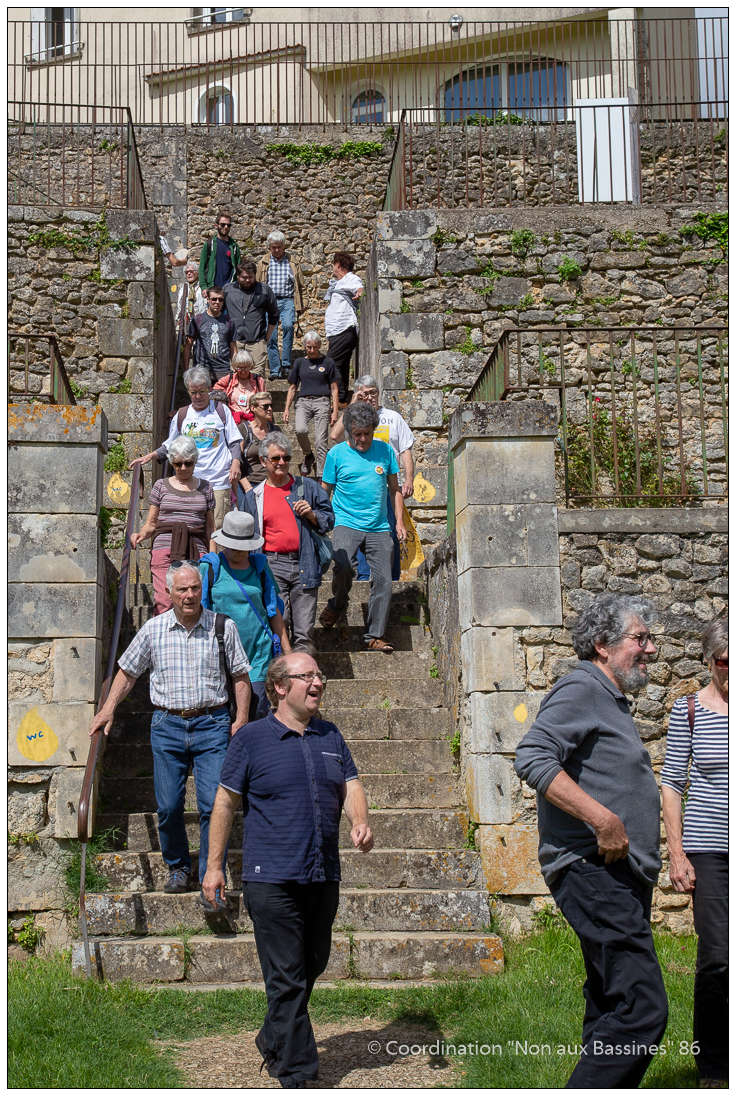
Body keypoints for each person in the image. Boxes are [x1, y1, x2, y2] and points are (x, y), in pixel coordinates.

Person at [514, 593, 668, 1088]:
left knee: (609, 1002)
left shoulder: (609, 698)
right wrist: (602, 819)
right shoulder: (581, 688)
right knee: (642, 1007)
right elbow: (532, 757)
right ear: (602, 644)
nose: (650, 649)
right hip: (591, 867)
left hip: (616, 872)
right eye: (640, 638)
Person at [202, 650, 373, 1088]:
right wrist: (214, 866)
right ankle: (299, 1074)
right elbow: (225, 802)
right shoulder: (250, 739)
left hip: (322, 873)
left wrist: (360, 821)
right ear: (279, 687)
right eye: (306, 676)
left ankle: (272, 1036)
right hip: (271, 878)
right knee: (286, 978)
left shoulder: (330, 735)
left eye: (319, 675)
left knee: (313, 963)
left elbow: (351, 784)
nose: (318, 682)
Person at [89, 562, 251, 894]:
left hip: (212, 723)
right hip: (167, 725)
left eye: (195, 588)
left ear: (202, 589)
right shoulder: (153, 629)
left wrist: (242, 720)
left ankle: (210, 873)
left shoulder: (223, 626)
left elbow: (240, 675)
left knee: (213, 804)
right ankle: (178, 867)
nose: (189, 595)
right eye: (182, 589)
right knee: (168, 806)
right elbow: (128, 672)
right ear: (169, 592)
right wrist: (108, 709)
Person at [661, 617, 728, 1088]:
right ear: (708, 661)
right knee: (718, 956)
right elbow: (671, 784)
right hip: (710, 850)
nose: (731, 670)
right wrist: (677, 853)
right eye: (723, 661)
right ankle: (714, 1066)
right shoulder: (689, 710)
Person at [319, 402, 406, 653]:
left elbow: (395, 489)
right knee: (344, 567)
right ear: (348, 431)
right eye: (357, 434)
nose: (363, 439)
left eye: (367, 433)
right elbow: (325, 491)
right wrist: (321, 522)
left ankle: (374, 636)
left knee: (384, 580)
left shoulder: (385, 451)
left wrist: (399, 522)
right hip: (346, 522)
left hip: (379, 526)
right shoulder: (336, 455)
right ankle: (337, 604)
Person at [239, 432, 335, 655]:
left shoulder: (307, 487)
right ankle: (285, 672)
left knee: (304, 631)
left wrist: (312, 515)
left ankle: (303, 672)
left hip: (305, 562)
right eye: (276, 458)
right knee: (279, 626)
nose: (282, 462)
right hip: (271, 565)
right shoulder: (254, 496)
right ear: (263, 461)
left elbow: (329, 519)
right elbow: (244, 538)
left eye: (286, 458)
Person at [200, 511, 290, 721]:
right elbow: (200, 609)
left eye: (243, 546)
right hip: (221, 653)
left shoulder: (260, 567)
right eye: (233, 546)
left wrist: (287, 652)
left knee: (257, 709)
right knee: (226, 714)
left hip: (258, 651)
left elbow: (273, 610)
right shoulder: (210, 568)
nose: (239, 551)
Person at [131, 366, 242, 532]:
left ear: (209, 389)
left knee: (216, 529)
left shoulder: (221, 411)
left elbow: (234, 441)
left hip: (218, 481)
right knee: (193, 527)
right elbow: (171, 445)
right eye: (193, 392)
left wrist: (236, 463)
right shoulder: (182, 415)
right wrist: (150, 456)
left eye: (202, 392)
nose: (197, 396)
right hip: (190, 482)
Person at [331, 373, 415, 580]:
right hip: (359, 487)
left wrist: (409, 479)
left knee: (391, 534)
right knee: (360, 533)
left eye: (373, 393)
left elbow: (405, 450)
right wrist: (353, 403)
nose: (370, 397)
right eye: (365, 394)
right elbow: (334, 435)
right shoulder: (352, 419)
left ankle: (391, 578)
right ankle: (363, 577)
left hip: (387, 485)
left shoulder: (393, 417)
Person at [131, 435, 215, 615]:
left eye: (188, 463)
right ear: (171, 462)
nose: (183, 468)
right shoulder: (161, 486)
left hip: (196, 549)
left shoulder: (206, 488)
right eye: (178, 464)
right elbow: (151, 523)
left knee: (196, 601)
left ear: (195, 461)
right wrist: (140, 534)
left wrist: (213, 556)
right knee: (165, 600)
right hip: (164, 548)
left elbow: (210, 528)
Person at [282, 331, 339, 477]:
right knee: (300, 430)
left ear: (319, 346)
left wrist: (335, 411)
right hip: (304, 401)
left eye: (314, 347)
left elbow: (334, 388)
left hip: (322, 401)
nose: (312, 350)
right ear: (304, 347)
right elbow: (292, 387)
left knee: (321, 441)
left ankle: (321, 475)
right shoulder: (300, 363)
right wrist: (286, 409)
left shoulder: (328, 362)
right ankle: (308, 454)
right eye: (309, 347)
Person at [256, 229, 305, 381]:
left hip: (287, 300)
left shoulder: (292, 261)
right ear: (269, 247)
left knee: (289, 327)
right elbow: (257, 284)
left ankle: (286, 365)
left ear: (284, 246)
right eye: (273, 247)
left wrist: (302, 303)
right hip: (269, 302)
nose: (276, 250)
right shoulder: (263, 262)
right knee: (271, 335)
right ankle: (275, 369)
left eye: (279, 247)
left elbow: (301, 284)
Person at [223, 261, 279, 376]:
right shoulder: (228, 290)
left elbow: (274, 315)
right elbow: (218, 312)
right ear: (237, 276)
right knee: (234, 378)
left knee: (257, 378)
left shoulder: (265, 290)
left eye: (251, 277)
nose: (248, 280)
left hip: (256, 342)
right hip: (234, 343)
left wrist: (266, 338)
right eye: (244, 277)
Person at [324, 250, 363, 403]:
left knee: (331, 363)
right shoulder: (340, 282)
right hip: (337, 331)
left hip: (345, 329)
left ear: (339, 265)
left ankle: (338, 398)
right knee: (342, 365)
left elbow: (358, 286)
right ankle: (342, 398)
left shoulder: (350, 278)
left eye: (334, 264)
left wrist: (360, 292)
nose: (333, 268)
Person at [182, 286, 237, 383]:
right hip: (201, 370)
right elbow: (188, 345)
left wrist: (236, 370)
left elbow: (233, 348)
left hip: (223, 371)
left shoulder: (229, 322)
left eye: (220, 299)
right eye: (214, 299)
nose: (217, 302)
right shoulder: (198, 320)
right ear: (207, 299)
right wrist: (186, 370)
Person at [212, 349, 266, 429]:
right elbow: (215, 390)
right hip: (233, 421)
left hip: (253, 421)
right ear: (235, 367)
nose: (243, 371)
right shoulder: (229, 379)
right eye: (240, 368)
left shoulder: (258, 381)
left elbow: (265, 401)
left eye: (246, 367)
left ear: (250, 366)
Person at [238, 391, 279, 494]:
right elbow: (237, 461)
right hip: (249, 483)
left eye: (271, 405)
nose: (270, 409)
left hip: (272, 483)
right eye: (265, 406)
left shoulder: (275, 430)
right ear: (253, 408)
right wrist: (247, 488)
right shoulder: (243, 429)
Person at [199, 210, 241, 290]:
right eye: (223, 224)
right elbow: (202, 267)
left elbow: (238, 269)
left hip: (229, 289)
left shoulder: (234, 247)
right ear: (216, 225)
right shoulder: (209, 244)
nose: (226, 227)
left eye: (228, 225)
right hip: (212, 289)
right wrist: (204, 287)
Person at [175, 260, 208, 332]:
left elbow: (205, 307)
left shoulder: (202, 288)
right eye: (187, 272)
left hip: (201, 323)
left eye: (191, 271)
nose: (189, 274)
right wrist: (179, 320)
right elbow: (179, 307)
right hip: (187, 324)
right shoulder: (183, 289)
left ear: (197, 272)